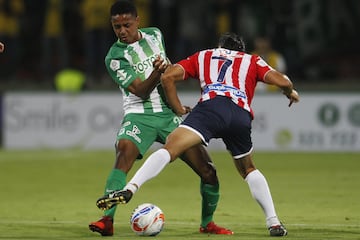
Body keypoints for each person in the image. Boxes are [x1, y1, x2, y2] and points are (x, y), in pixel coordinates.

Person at [97, 32, 300, 237]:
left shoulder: (205, 55)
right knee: (248, 169)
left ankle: (131, 187)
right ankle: (273, 222)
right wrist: (289, 92)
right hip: (240, 115)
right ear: (241, 50)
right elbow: (283, 80)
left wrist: (177, 107)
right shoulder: (251, 60)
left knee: (170, 148)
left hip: (211, 109)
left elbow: (167, 76)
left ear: (219, 46)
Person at [89, 0, 233, 236]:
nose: (122, 31)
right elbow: (141, 90)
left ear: (138, 21)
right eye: (117, 27)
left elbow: (169, 76)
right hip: (139, 115)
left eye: (126, 25)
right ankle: (107, 220)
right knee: (124, 152)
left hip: (168, 117)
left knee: (208, 171)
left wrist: (176, 107)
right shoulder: (114, 57)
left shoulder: (155, 35)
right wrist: (157, 71)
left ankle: (207, 223)